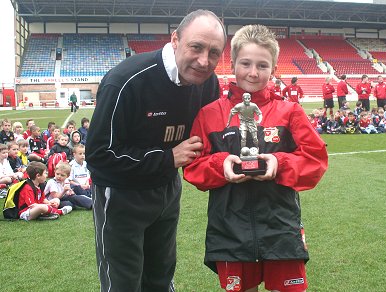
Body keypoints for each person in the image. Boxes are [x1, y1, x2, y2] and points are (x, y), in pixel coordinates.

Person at [85, 9, 227, 292]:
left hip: (167, 189)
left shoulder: (208, 82)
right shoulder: (125, 80)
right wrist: (167, 157)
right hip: (122, 196)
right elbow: (99, 155)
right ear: (175, 39)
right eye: (196, 47)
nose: (204, 61)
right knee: (123, 282)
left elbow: (211, 138)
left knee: (160, 277)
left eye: (214, 53)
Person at [183, 24, 328, 292]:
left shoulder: (290, 112)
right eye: (246, 63)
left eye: (262, 65)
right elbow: (193, 167)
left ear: (273, 68)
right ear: (232, 64)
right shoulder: (209, 114)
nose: (253, 72)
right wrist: (221, 165)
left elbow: (315, 160)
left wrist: (279, 163)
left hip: (281, 228)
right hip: (229, 230)